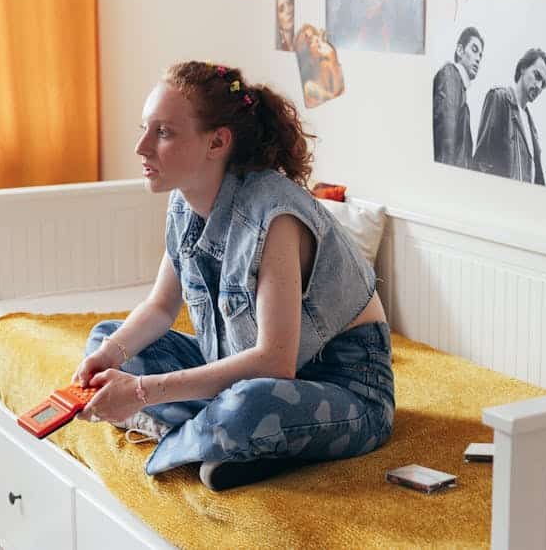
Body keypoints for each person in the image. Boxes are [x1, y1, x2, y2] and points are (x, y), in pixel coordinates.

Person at [72, 62, 394, 491]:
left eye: (163, 133)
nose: (141, 147)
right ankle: (223, 441)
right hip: (237, 370)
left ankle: (200, 436)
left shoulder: (275, 215)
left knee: (247, 406)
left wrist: (142, 393)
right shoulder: (185, 201)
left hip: (342, 391)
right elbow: (160, 306)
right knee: (106, 339)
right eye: (145, 129)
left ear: (218, 141)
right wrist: (110, 356)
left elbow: (274, 363)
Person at [472, 48, 546, 184]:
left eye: (543, 84)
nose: (539, 86)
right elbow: (482, 162)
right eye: (537, 76)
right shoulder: (499, 98)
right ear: (522, 68)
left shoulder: (531, 126)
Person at [433, 27, 484, 169]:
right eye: (474, 50)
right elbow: (446, 139)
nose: (478, 58)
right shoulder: (450, 74)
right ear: (460, 51)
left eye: (481, 55)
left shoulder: (461, 92)